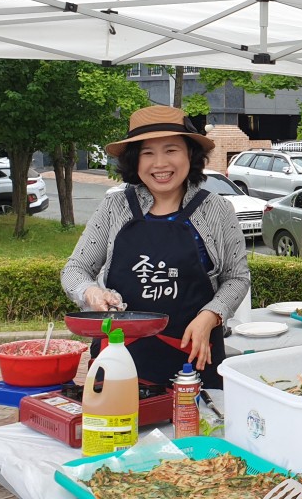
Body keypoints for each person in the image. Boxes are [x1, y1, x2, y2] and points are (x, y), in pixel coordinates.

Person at [62, 105, 251, 389]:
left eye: (171, 150)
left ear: (190, 155)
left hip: (195, 360)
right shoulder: (115, 206)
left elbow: (236, 277)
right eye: (147, 153)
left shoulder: (217, 209)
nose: (160, 163)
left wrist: (211, 315)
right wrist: (91, 293)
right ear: (135, 160)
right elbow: (75, 269)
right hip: (119, 360)